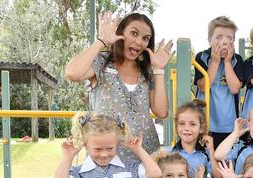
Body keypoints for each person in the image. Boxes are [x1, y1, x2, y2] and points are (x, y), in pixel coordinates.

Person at [65, 12, 173, 160]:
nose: (139, 42)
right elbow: (72, 73)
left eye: (145, 38)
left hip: (147, 159)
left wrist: (159, 69)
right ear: (121, 33)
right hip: (108, 159)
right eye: (134, 33)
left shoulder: (147, 70)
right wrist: (101, 41)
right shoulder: (102, 62)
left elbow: (161, 112)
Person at [194, 16, 244, 148]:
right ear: (209, 40)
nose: (224, 42)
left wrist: (227, 62)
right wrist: (215, 62)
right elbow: (204, 86)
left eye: (229, 38)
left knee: (225, 159)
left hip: (228, 124)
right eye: (219, 37)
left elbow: (234, 89)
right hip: (205, 122)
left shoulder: (236, 60)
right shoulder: (202, 57)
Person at [170, 100, 222, 178]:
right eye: (182, 124)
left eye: (192, 124)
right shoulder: (170, 153)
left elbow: (218, 176)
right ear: (176, 127)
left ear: (201, 128)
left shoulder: (205, 154)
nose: (186, 128)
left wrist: (211, 150)